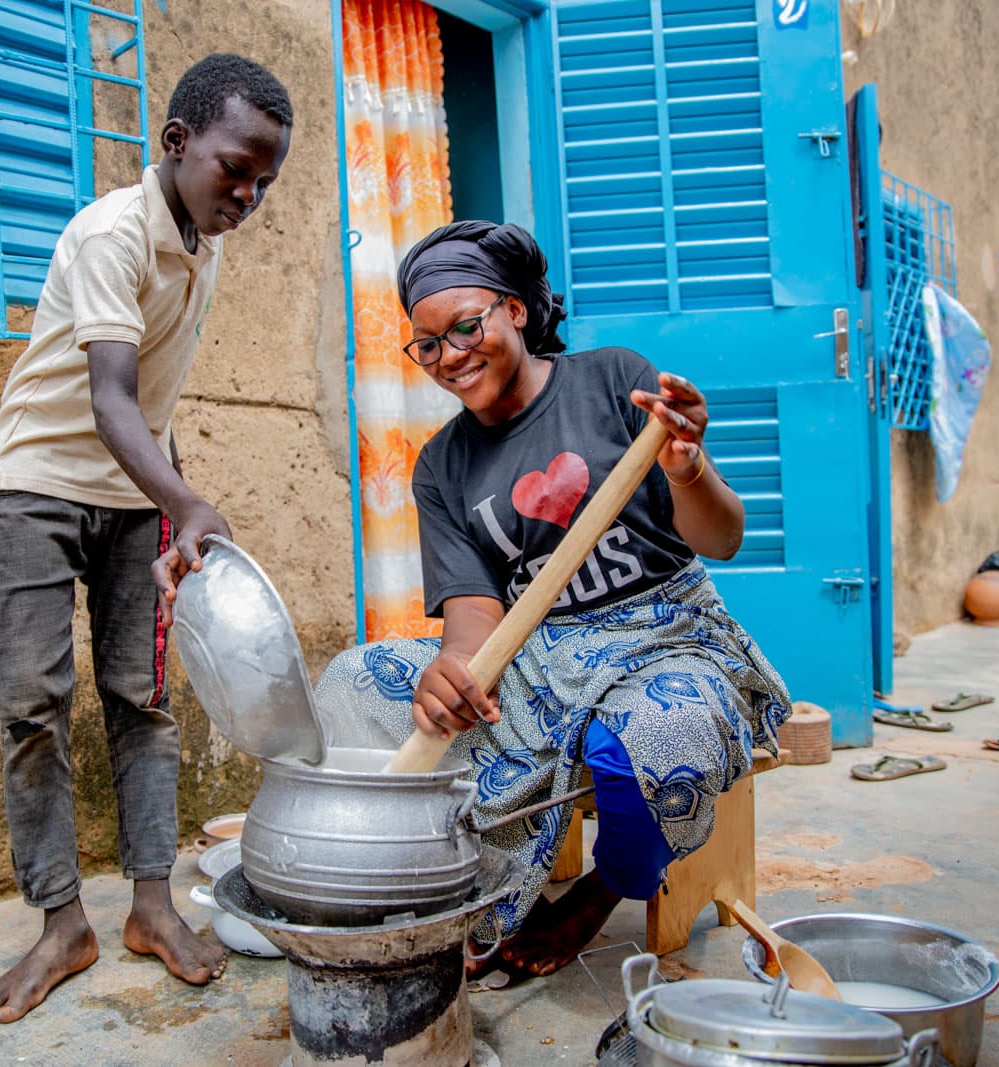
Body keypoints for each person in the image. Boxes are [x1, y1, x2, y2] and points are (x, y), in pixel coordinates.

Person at [313, 221, 791, 979]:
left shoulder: (612, 380)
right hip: (534, 657)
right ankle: (481, 884)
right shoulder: (442, 464)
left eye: (466, 326)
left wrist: (687, 467)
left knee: (658, 737)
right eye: (427, 344)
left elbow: (722, 537)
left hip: (663, 636)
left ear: (516, 311)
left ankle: (600, 891)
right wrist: (456, 669)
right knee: (350, 681)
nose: (450, 356)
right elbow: (474, 608)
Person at [0, 54, 292, 1023]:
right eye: (235, 168)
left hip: (134, 494)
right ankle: (61, 920)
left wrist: (171, 500)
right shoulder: (109, 235)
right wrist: (193, 502)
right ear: (176, 144)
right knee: (34, 703)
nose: (247, 194)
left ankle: (151, 904)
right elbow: (109, 394)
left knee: (142, 696)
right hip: (38, 484)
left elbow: (152, 400)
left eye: (264, 181)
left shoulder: (208, 240)